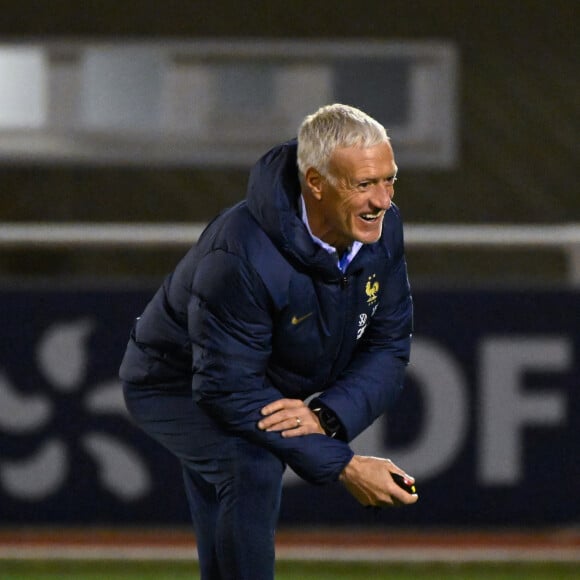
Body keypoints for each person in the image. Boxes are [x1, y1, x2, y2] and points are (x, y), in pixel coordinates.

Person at [120, 103, 417, 580]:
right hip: (175, 383)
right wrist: (343, 465)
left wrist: (323, 417)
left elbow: (388, 345)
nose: (382, 200)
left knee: (236, 500)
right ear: (316, 183)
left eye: (389, 180)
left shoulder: (383, 230)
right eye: (363, 184)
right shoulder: (239, 253)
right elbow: (225, 388)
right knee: (250, 467)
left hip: (254, 384)